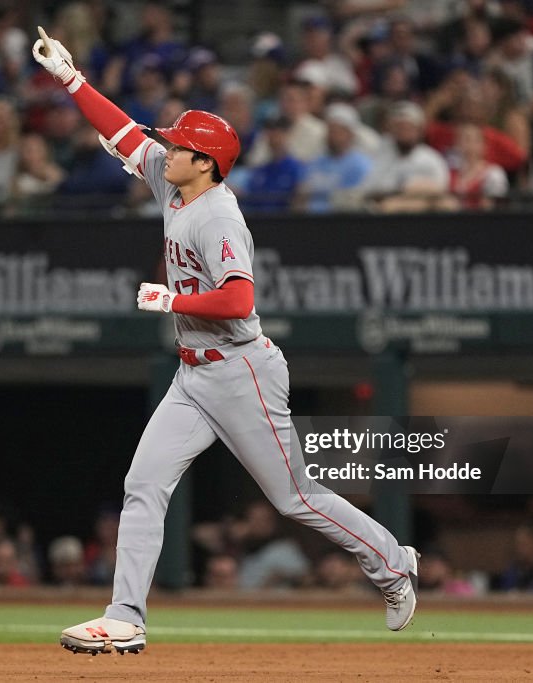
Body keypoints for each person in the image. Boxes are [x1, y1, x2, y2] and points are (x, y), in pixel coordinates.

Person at [31, 26, 419, 657]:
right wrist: (71, 79)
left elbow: (240, 299)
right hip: (194, 373)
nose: (166, 148)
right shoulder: (177, 182)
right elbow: (126, 132)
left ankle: (393, 565)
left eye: (179, 144)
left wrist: (171, 299)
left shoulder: (217, 214)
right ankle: (125, 617)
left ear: (204, 161)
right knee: (143, 485)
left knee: (295, 497)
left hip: (242, 371)